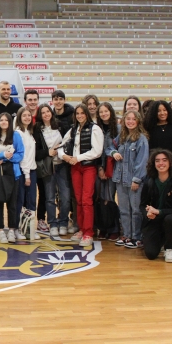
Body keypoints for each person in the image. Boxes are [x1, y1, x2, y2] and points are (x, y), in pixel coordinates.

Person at [60, 104, 103, 247]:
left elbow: (97, 151)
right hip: (75, 167)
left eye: (82, 113)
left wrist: (77, 158)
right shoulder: (73, 129)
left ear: (87, 114)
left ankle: (88, 233)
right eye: (77, 113)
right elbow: (61, 146)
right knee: (78, 200)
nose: (79, 116)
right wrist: (65, 157)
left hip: (88, 167)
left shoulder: (95, 128)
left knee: (86, 199)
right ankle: (81, 229)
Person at [107, 110, 149, 249]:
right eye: (128, 119)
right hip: (120, 179)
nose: (130, 121)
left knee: (135, 210)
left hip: (133, 181)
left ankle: (136, 236)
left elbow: (142, 161)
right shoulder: (122, 137)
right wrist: (114, 153)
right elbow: (109, 147)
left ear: (138, 121)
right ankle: (126, 234)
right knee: (124, 209)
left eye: (133, 119)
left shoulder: (141, 139)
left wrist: (136, 179)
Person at [141, 149, 172, 263]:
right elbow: (142, 205)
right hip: (154, 222)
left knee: (170, 218)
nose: (161, 163)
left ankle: (169, 248)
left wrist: (159, 211)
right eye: (157, 161)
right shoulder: (149, 182)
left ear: (170, 162)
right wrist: (147, 213)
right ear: (154, 164)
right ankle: (161, 240)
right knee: (151, 254)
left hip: (170, 220)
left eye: (164, 160)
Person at [33, 104, 70, 240]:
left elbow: (69, 142)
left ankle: (63, 221)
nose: (46, 114)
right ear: (40, 115)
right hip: (48, 167)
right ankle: (53, 223)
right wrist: (47, 152)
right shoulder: (36, 130)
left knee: (65, 197)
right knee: (49, 198)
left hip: (62, 165)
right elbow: (35, 152)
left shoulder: (60, 125)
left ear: (51, 112)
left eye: (47, 111)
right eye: (43, 112)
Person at [0, 112, 24, 244]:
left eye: (6, 120)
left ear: (10, 122)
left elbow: (20, 154)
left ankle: (12, 230)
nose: (3, 122)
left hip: (12, 172)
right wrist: (2, 155)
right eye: (1, 120)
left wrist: (8, 158)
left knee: (12, 203)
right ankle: (1, 230)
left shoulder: (16, 136)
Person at [50, 90, 76, 234]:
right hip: (53, 161)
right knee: (54, 195)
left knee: (68, 194)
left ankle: (67, 219)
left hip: (68, 161)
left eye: (60, 99)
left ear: (64, 100)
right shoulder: (50, 115)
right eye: (55, 99)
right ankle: (58, 220)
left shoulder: (72, 115)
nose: (58, 101)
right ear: (52, 101)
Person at [95, 102, 121, 240]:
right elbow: (97, 151)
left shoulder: (118, 129)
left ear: (110, 112)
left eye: (106, 111)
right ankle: (103, 227)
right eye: (101, 112)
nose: (104, 114)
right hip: (99, 168)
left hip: (114, 169)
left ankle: (114, 228)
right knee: (101, 198)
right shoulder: (96, 129)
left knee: (110, 198)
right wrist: (100, 168)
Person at [14, 107, 36, 241]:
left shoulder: (29, 132)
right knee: (20, 201)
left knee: (31, 201)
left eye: (29, 115)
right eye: (24, 116)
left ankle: (29, 229)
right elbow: (23, 156)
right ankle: (16, 228)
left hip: (31, 170)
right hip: (23, 171)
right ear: (19, 118)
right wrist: (27, 175)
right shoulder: (18, 133)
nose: (27, 117)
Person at [144, 100, 172, 167]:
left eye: (165, 110)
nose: (162, 113)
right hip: (154, 164)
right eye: (158, 111)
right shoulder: (149, 127)